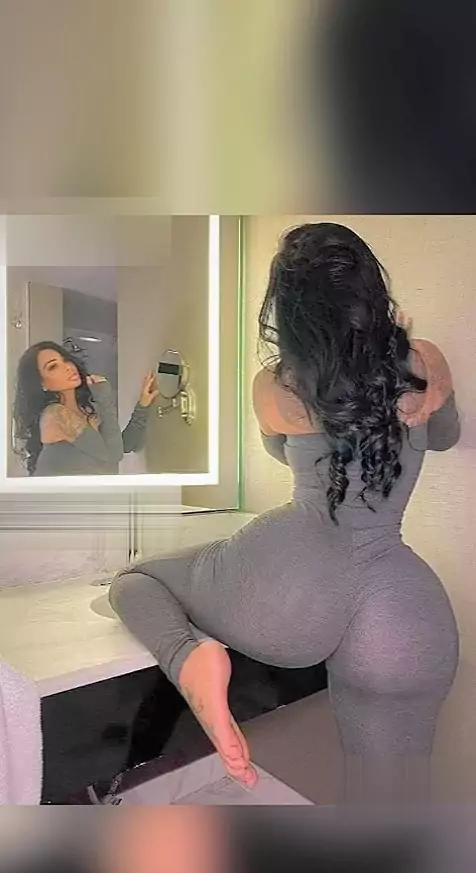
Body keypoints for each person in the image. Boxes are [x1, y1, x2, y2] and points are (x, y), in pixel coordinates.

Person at [109, 223, 460, 791]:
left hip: (291, 578)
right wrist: (424, 384)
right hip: (400, 597)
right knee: (390, 797)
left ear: (288, 312)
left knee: (137, 579)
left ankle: (190, 660)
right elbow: (444, 435)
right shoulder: (423, 362)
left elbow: (285, 452)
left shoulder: (275, 387)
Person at [12, 341, 158, 476]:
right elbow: (114, 455)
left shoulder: (86, 409)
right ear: (42, 384)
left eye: (66, 360)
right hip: (57, 496)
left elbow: (123, 445)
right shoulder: (55, 415)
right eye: (53, 366)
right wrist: (104, 399)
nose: (68, 367)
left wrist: (142, 405)